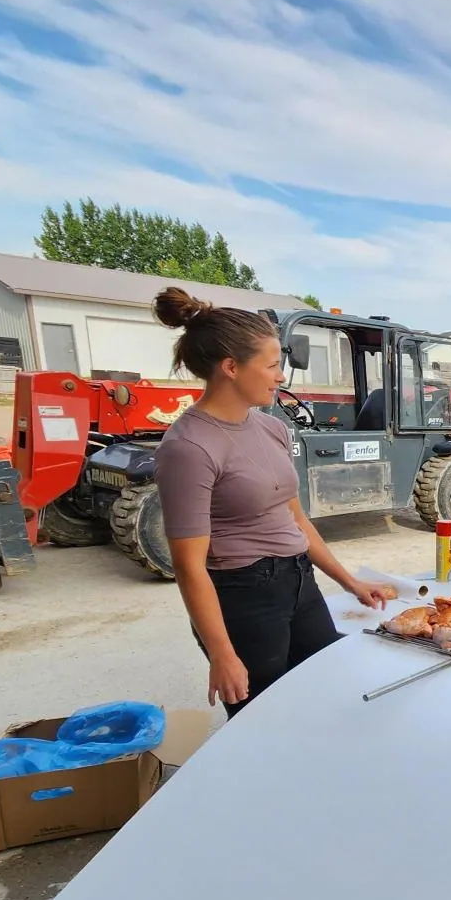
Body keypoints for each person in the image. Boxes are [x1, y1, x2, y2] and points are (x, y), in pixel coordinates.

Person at [152, 288, 396, 715]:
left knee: (324, 689)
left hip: (298, 582)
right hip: (244, 596)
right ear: (230, 367)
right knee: (262, 716)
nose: (280, 376)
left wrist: (349, 581)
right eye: (270, 365)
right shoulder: (189, 447)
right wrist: (222, 653)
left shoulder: (271, 429)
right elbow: (189, 567)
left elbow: (295, 518)